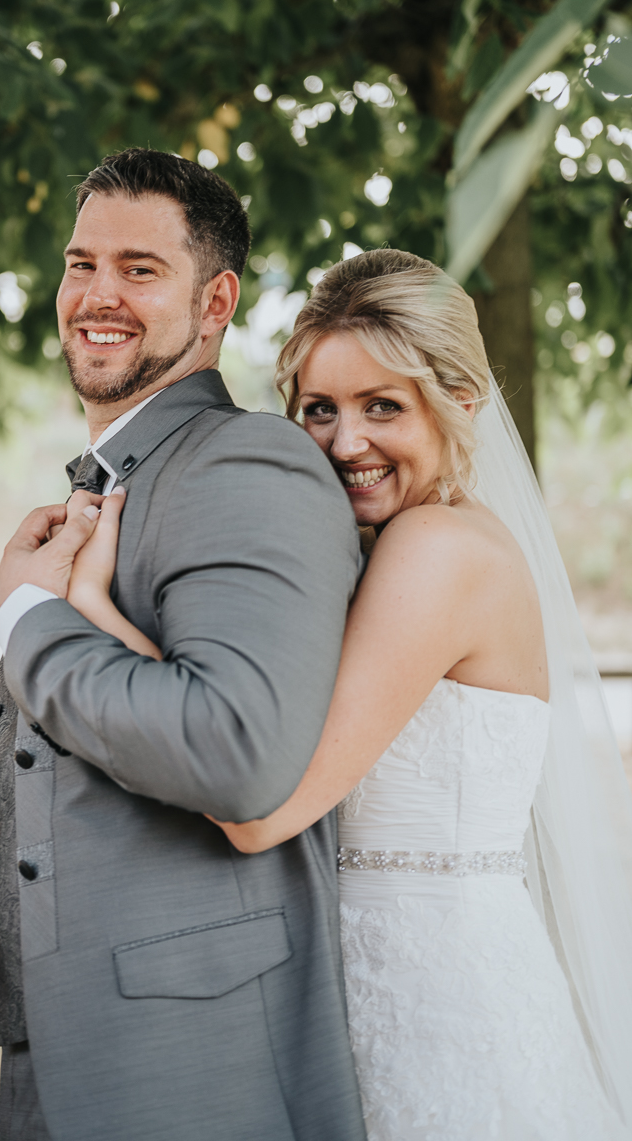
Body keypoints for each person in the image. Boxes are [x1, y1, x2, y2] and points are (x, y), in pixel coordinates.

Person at [65, 249, 632, 1140]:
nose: (344, 443)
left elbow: (258, 808)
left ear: (461, 403)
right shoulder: (408, 544)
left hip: (433, 1012)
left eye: (383, 407)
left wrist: (88, 610)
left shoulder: (438, 550)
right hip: (355, 988)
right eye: (319, 409)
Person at [0, 148, 369, 1141]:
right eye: (81, 264)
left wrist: (26, 617)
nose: (98, 295)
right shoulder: (117, 480)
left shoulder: (244, 463)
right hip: (61, 1039)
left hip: (192, 1063)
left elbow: (235, 749)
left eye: (139, 268)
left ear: (216, 303)